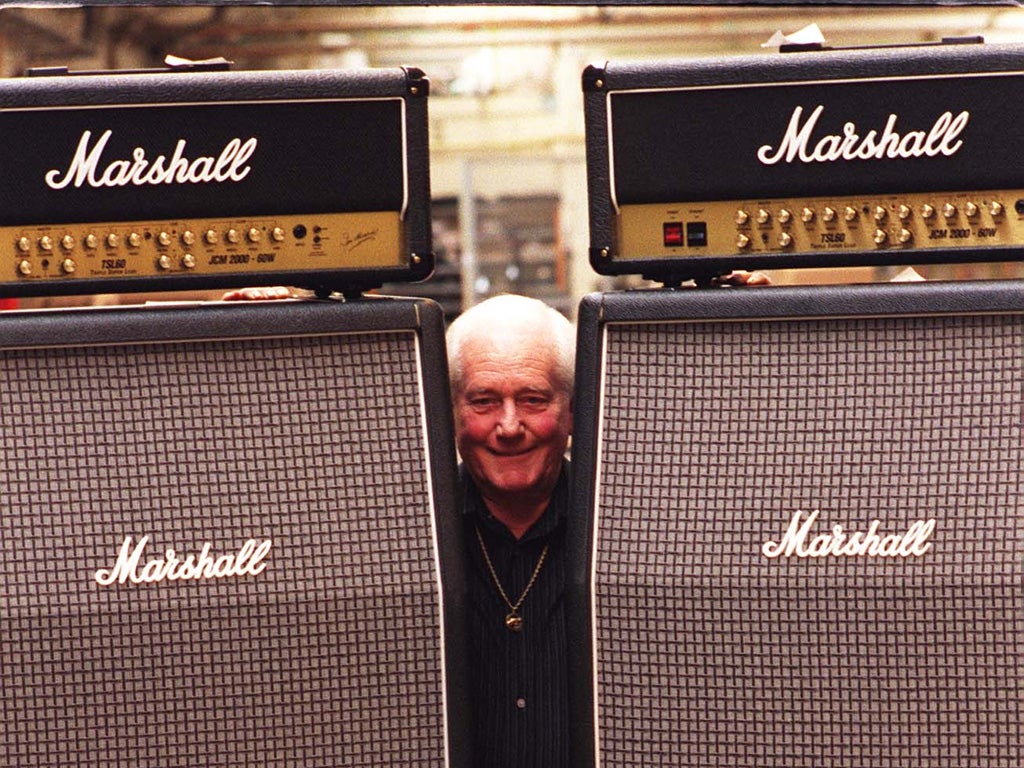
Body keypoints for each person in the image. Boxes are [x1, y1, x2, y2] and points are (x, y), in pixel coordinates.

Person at [446, 294, 576, 768]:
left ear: (573, 411)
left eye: (532, 399)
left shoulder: (629, 526)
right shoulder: (400, 531)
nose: (508, 426)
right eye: (483, 401)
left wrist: (738, 316)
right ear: (450, 413)